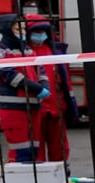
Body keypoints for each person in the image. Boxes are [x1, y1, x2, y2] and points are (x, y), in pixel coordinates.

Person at [0, 13, 50, 163]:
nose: (23, 32)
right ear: (7, 29)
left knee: (34, 151)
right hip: (13, 108)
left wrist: (44, 84)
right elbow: (9, 75)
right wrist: (37, 89)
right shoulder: (0, 50)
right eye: (18, 29)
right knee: (20, 153)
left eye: (24, 29)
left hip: (33, 108)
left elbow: (40, 70)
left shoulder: (28, 50)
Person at [25, 14, 77, 164]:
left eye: (43, 31)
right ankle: (40, 179)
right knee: (36, 148)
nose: (40, 35)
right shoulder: (25, 52)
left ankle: (61, 176)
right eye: (37, 31)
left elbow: (63, 81)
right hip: (35, 110)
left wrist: (67, 105)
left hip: (56, 107)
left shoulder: (54, 51)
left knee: (59, 148)